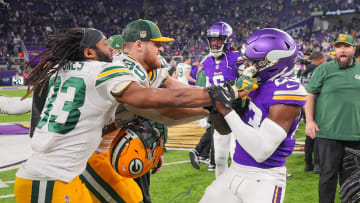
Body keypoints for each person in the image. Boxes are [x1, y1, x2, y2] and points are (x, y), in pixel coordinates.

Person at [14, 26, 232, 202]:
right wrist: (215, 98)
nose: (112, 48)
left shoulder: (63, 72)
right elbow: (158, 104)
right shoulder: (109, 70)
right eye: (105, 44)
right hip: (52, 177)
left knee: (134, 197)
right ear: (89, 52)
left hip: (60, 172)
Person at [78, 19, 234, 203]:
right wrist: (213, 105)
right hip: (87, 151)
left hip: (114, 145)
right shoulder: (123, 69)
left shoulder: (149, 68)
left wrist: (219, 97)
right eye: (157, 44)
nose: (161, 49)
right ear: (139, 45)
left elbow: (175, 88)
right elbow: (166, 110)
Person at [200, 28, 306, 203]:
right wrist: (215, 108)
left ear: (273, 63)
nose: (246, 66)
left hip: (263, 179)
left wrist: (227, 111)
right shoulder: (254, 85)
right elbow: (224, 130)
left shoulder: (286, 93)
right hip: (235, 169)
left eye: (252, 62)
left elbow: (261, 151)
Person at [305, 34, 360, 203]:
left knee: (352, 180)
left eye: (346, 46)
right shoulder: (324, 69)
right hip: (328, 133)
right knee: (328, 176)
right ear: (335, 50)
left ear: (353, 49)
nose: (342, 49)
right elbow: (310, 95)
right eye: (338, 46)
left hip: (355, 135)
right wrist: (309, 120)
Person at [190, 22, 242, 175]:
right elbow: (207, 86)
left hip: (238, 111)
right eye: (212, 40)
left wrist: (235, 92)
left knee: (236, 153)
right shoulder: (206, 61)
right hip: (219, 112)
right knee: (219, 156)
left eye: (219, 39)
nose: (215, 43)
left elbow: (249, 81)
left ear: (227, 40)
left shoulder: (237, 58)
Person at [300, 51, 326, 174]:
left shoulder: (304, 71)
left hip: (304, 105)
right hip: (314, 104)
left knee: (309, 135)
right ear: (320, 59)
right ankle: (317, 165)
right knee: (316, 134)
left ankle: (308, 163)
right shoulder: (317, 70)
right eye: (324, 59)